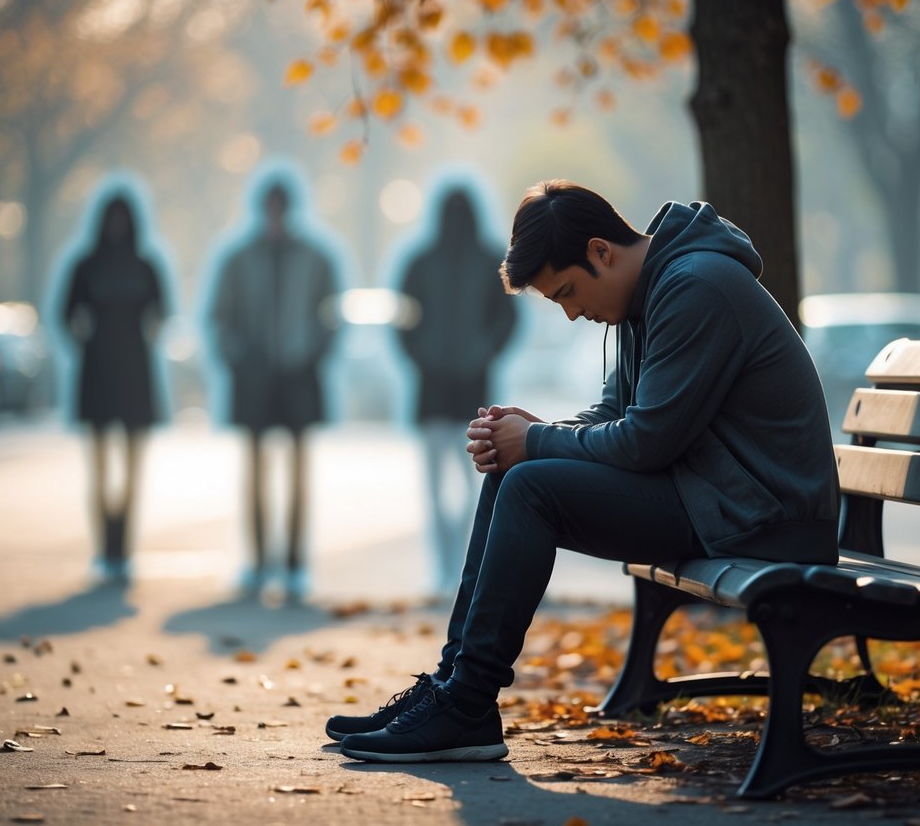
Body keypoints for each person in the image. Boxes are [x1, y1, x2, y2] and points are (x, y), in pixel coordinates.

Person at [326, 180, 840, 762]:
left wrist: (539, 443)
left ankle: (466, 703)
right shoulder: (651, 291)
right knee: (514, 472)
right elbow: (618, 415)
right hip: (715, 496)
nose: (572, 314)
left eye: (567, 292)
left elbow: (645, 443)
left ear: (601, 251)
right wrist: (531, 432)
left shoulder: (696, 288)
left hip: (766, 515)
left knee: (530, 485)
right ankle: (453, 689)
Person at [208, 177, 341, 601]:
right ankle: (260, 562)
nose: (276, 216)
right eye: (270, 207)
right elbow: (220, 316)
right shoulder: (238, 258)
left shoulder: (315, 258)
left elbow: (331, 314)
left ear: (290, 209)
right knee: (255, 472)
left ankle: (295, 564)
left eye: (282, 207)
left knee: (299, 472)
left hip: (298, 375)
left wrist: (315, 353)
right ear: (261, 209)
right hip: (255, 376)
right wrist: (239, 359)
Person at [395, 185, 518, 596]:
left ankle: (458, 566)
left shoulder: (453, 261)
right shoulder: (478, 260)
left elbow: (506, 319)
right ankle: (447, 566)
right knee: (449, 485)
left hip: (462, 387)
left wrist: (482, 351)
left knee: (464, 485)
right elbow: (404, 320)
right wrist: (428, 354)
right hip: (446, 386)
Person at [61, 191, 168, 584]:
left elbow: (161, 312)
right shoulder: (86, 267)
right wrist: (87, 340)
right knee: (101, 469)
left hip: (135, 375)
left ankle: (124, 547)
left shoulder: (146, 266)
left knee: (133, 471)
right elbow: (66, 313)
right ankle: (105, 547)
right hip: (98, 374)